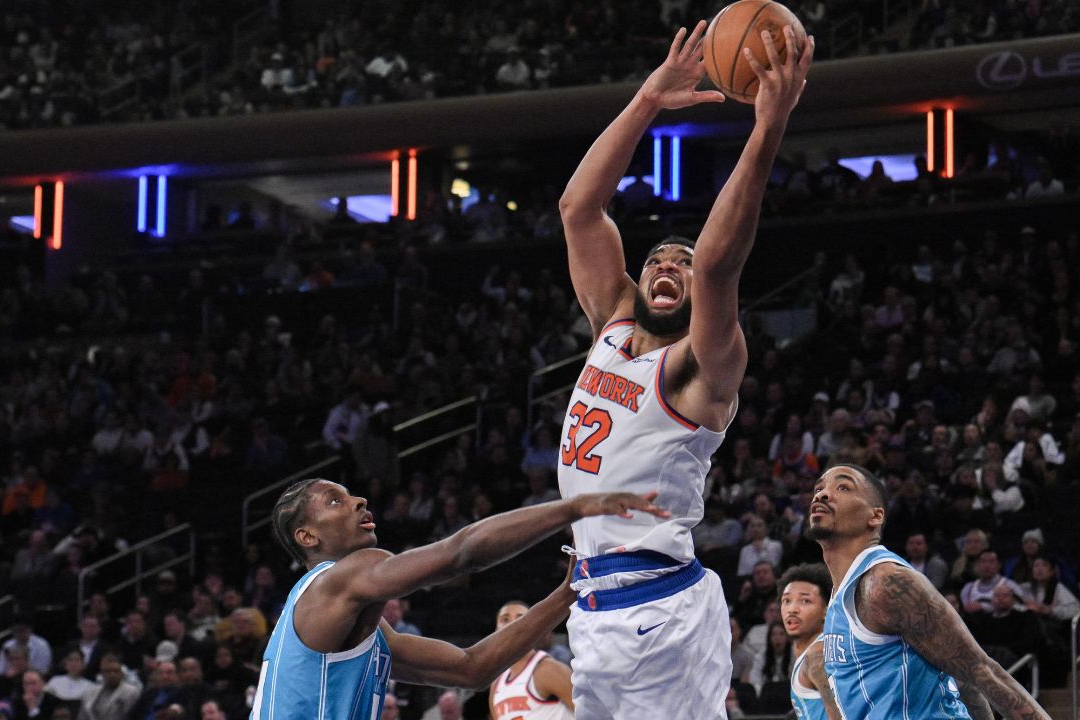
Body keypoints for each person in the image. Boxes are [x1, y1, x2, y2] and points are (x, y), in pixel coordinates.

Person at [555, 19, 813, 719]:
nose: (671, 264)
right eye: (658, 260)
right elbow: (580, 209)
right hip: (595, 604)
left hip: (660, 605)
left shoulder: (704, 365)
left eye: (684, 263)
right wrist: (646, 101)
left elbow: (724, 259)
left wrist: (766, 129)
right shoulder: (612, 322)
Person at [255, 478, 665, 719]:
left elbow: (471, 669)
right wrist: (574, 508)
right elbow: (460, 554)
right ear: (307, 537)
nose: (358, 501)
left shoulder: (365, 633)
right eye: (334, 501)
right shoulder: (334, 582)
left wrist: (567, 594)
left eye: (349, 494)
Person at [807, 464, 1047, 718]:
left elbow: (980, 670)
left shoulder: (886, 583)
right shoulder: (837, 598)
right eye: (819, 488)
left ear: (875, 516)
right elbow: (959, 676)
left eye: (843, 487)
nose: (821, 494)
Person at [488, 600, 575, 719]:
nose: (512, 624)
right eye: (505, 619)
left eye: (520, 618)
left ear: (533, 628)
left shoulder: (548, 670)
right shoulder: (496, 685)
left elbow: (594, 713)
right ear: (496, 630)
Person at [778, 563, 837, 720]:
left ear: (826, 610)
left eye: (805, 601)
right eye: (787, 601)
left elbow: (843, 715)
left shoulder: (818, 654)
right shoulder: (810, 654)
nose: (792, 609)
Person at [77, 654, 141, 720]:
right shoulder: (90, 692)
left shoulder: (131, 692)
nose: (112, 675)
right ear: (102, 673)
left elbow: (132, 717)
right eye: (108, 671)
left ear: (121, 673)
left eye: (116, 671)